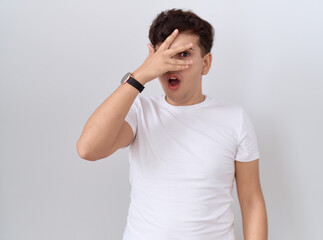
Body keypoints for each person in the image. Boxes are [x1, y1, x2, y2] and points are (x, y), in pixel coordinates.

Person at [76, 8, 268, 240]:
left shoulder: (234, 118)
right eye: (164, 55)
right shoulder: (139, 111)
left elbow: (251, 200)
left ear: (205, 63)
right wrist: (140, 76)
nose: (172, 65)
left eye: (184, 55)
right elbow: (88, 149)